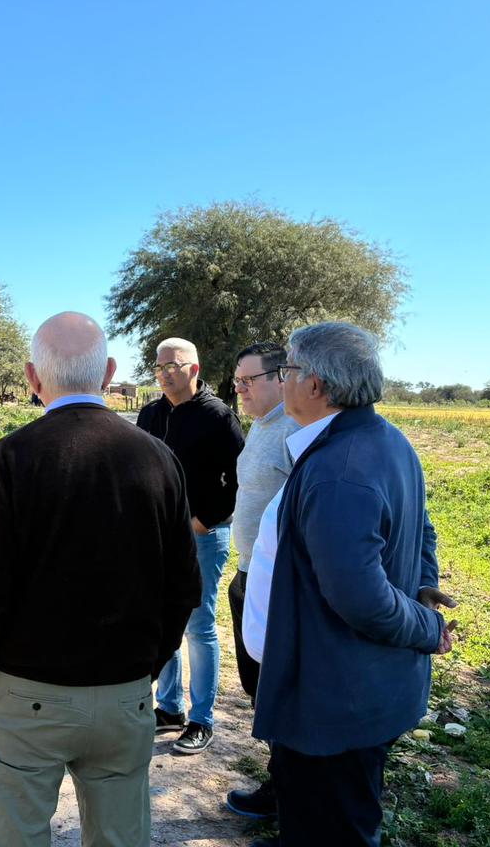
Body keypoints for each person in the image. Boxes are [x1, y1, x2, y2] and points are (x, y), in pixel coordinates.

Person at [0, 311, 201, 847]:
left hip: (24, 696)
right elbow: (184, 584)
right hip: (123, 695)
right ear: (108, 373)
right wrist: (143, 669)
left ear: (31, 377)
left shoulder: (12, 456)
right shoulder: (159, 458)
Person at [249, 322, 456, 847]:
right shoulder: (383, 440)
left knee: (334, 826)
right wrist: (425, 583)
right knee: (330, 818)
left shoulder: (339, 469)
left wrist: (427, 627)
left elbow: (361, 597)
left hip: (335, 700)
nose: (282, 379)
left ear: (315, 385)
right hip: (350, 688)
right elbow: (422, 527)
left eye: (287, 369)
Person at [136, 337, 245, 755]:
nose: (163, 374)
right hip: (158, 537)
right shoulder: (150, 414)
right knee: (165, 622)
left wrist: (202, 522)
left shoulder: (218, 416)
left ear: (193, 369)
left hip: (203, 536)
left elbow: (237, 482)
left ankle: (202, 719)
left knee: (198, 627)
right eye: (158, 367)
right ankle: (169, 708)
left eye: (172, 366)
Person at [221, 342, 298, 822]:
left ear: (281, 377)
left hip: (275, 581)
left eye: (249, 381)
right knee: (257, 686)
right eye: (238, 382)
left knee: (277, 689)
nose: (240, 390)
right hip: (248, 571)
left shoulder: (296, 430)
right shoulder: (262, 426)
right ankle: (282, 781)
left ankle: (288, 793)